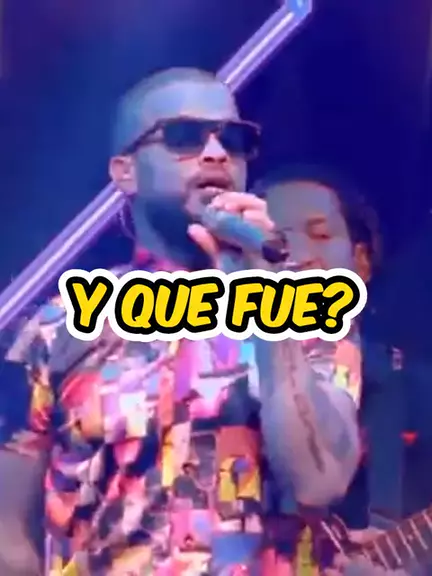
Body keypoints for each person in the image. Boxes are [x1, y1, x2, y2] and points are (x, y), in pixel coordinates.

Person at [1, 69, 361, 575]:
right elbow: (9, 533)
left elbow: (319, 484)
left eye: (233, 140)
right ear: (124, 171)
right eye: (184, 136)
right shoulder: (59, 327)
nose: (216, 154)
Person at [257, 166, 410, 575]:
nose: (298, 256)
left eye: (321, 235)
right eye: (277, 240)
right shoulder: (225, 386)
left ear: (361, 262)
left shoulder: (407, 393)